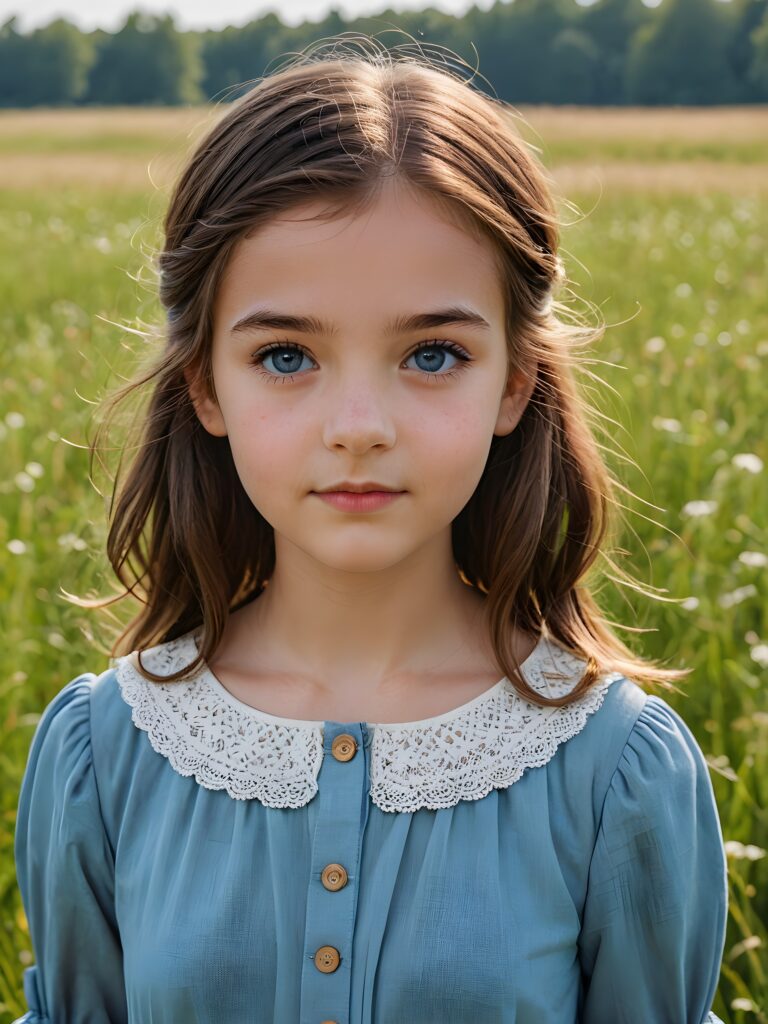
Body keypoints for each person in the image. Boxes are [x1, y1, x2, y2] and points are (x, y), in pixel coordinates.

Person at [13, 37, 728, 1024]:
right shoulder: (108, 751)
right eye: (285, 355)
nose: (359, 426)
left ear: (514, 383)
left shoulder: (615, 769)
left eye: (433, 353)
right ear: (203, 384)